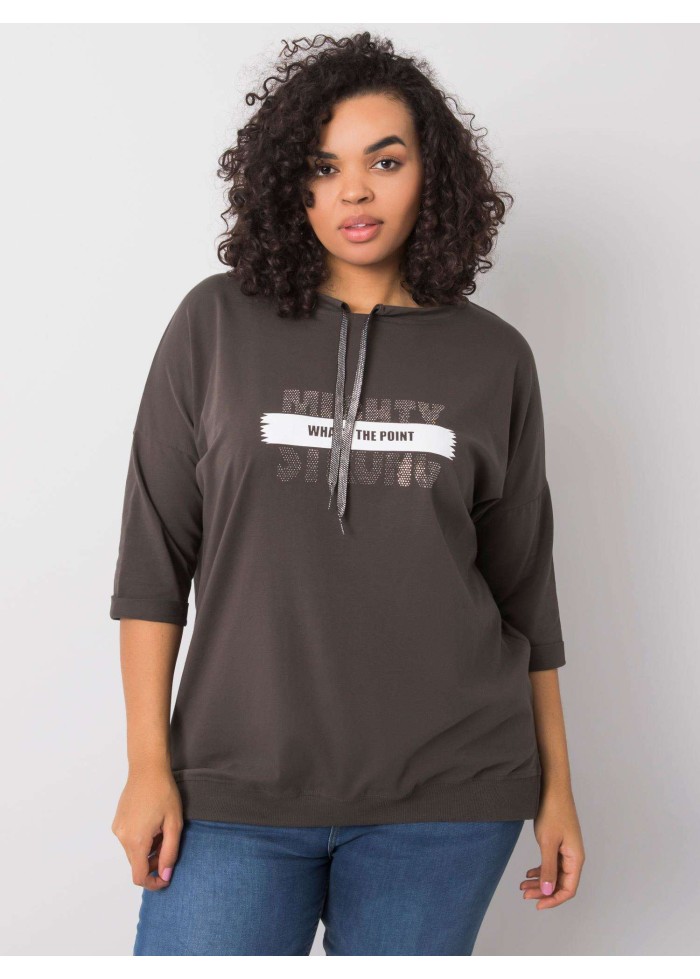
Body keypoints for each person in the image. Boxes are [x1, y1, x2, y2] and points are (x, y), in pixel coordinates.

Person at [109, 31, 585, 956]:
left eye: (385, 161)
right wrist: (146, 766)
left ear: (432, 175)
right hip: (234, 786)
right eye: (324, 167)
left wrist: (558, 787)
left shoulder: (494, 357)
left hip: (448, 798)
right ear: (288, 181)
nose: (354, 192)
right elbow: (153, 564)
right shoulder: (216, 323)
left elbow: (526, 593)